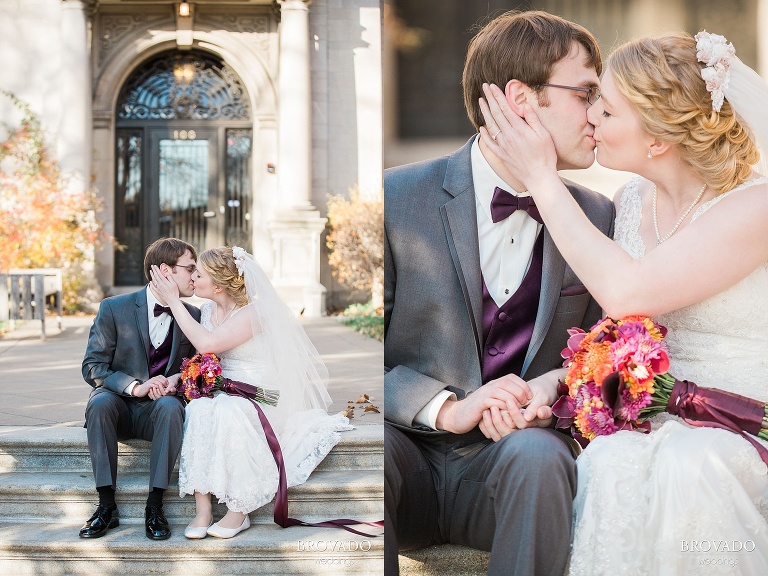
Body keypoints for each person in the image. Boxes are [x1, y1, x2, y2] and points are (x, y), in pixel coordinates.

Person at [481, 29, 768, 574]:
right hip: (658, 416)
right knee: (609, 463)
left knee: (694, 464)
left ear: (658, 138)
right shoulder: (630, 203)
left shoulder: (755, 206)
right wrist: (553, 385)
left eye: (606, 110)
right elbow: (622, 336)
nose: (589, 119)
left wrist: (541, 176)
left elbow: (628, 293)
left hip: (742, 416)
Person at [384, 10, 615, 576]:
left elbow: (605, 351)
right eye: (586, 93)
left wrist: (551, 392)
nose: (599, 115)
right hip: (406, 457)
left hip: (511, 473)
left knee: (540, 457)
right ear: (521, 98)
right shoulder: (397, 197)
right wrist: (447, 409)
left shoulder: (598, 215)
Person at [149, 246, 352, 539]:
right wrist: (177, 378)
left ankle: (239, 510)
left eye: (199, 273)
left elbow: (208, 344)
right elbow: (202, 360)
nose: (192, 277)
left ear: (218, 284)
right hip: (222, 392)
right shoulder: (207, 311)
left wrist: (172, 301)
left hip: (258, 395)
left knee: (230, 411)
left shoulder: (254, 312)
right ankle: (203, 508)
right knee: (198, 409)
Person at [80, 237, 200, 540]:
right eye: (190, 268)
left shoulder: (194, 316)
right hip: (118, 407)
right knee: (99, 403)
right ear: (164, 271)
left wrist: (176, 382)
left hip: (159, 413)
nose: (195, 276)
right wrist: (134, 387)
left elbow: (199, 370)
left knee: (173, 407)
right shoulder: (114, 308)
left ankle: (155, 506)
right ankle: (106, 506)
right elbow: (92, 367)